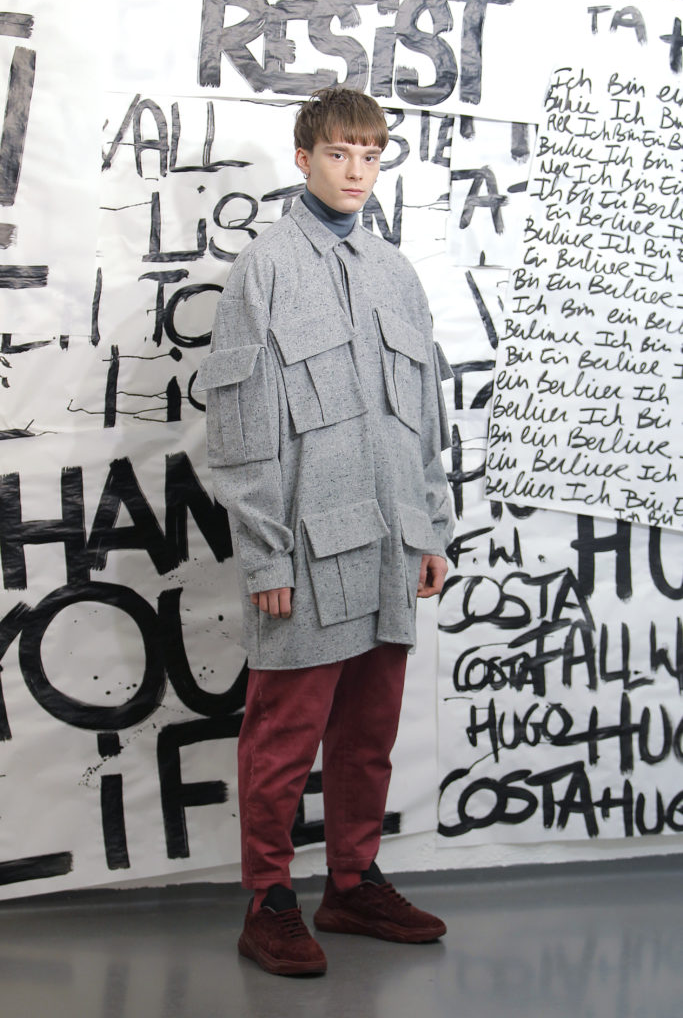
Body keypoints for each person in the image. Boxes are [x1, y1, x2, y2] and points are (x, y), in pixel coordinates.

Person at [196, 87, 454, 977]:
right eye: (339, 153)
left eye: (370, 155)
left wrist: (431, 528)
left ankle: (351, 883)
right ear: (303, 158)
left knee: (367, 733)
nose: (356, 171)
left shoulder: (396, 272)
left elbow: (425, 416)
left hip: (390, 547)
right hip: (305, 554)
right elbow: (240, 429)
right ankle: (268, 900)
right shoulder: (263, 269)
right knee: (282, 736)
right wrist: (264, 552)